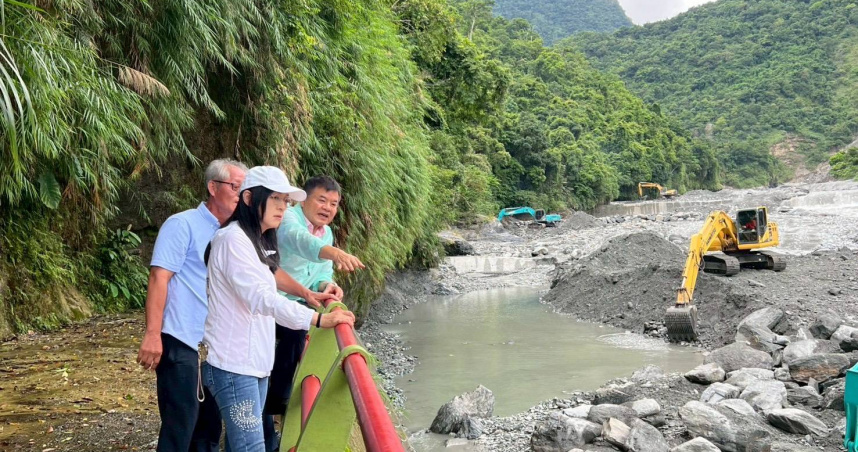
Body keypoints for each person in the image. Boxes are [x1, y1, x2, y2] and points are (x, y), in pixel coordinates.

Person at [202, 166, 355, 452]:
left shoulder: (255, 237)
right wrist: (318, 320)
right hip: (235, 368)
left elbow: (271, 273)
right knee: (250, 447)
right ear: (249, 199)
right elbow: (262, 297)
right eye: (276, 199)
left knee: (243, 445)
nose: (283, 207)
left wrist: (307, 293)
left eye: (286, 201)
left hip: (254, 365)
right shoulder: (233, 240)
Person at [136, 159, 246, 452]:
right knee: (180, 426)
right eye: (236, 186)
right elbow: (159, 278)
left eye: (244, 188)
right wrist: (152, 334)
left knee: (209, 428)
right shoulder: (182, 224)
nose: (240, 194)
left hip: (216, 347)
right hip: (181, 340)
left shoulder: (235, 234)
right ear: (213, 187)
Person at [262, 176, 364, 450]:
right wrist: (334, 252)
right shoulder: (288, 218)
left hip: (296, 303)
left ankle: (274, 403)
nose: (328, 208)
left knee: (295, 335)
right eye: (322, 200)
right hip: (267, 301)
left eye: (334, 204)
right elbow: (297, 241)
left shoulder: (326, 233)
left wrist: (327, 285)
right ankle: (275, 403)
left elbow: (321, 273)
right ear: (303, 199)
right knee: (290, 337)